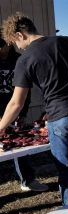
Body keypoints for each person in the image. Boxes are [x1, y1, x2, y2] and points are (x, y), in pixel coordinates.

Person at [0, 13, 68, 205]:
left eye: (14, 42)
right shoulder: (67, 41)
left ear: (19, 35)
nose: (17, 47)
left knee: (66, 171)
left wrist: (1, 126)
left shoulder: (25, 59)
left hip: (59, 117)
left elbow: (16, 103)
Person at [0, 37, 48, 192]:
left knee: (19, 145)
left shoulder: (19, 60)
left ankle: (27, 180)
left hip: (16, 108)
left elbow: (25, 91)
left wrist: (23, 112)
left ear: (7, 44)